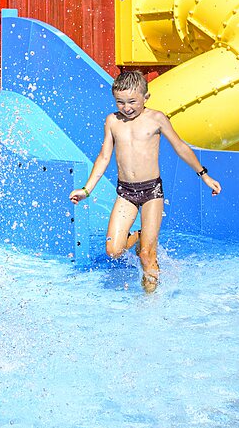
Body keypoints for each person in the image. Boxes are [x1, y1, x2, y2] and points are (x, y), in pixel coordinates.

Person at [70, 70, 221, 291]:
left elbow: (180, 147)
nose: (126, 107)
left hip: (152, 191)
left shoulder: (156, 118)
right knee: (113, 251)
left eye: (132, 101)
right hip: (126, 193)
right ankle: (141, 236)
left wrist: (204, 175)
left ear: (145, 97)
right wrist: (87, 189)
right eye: (120, 102)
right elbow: (104, 157)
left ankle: (150, 303)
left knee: (146, 255)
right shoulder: (112, 121)